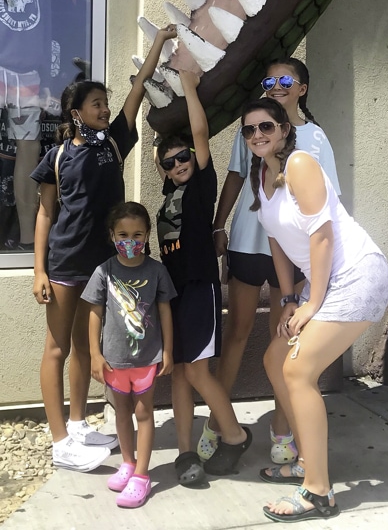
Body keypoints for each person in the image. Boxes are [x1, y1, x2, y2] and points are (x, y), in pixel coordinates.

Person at [30, 25, 177, 472]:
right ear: (76, 112)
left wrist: (158, 44)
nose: (106, 108)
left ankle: (78, 425)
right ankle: (60, 443)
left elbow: (137, 90)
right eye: (96, 103)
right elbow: (44, 215)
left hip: (105, 267)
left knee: (82, 346)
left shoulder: (114, 143)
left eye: (105, 103)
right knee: (57, 347)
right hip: (66, 263)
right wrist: (39, 271)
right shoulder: (57, 157)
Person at [241, 96, 388, 522]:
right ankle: (308, 462)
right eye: (249, 130)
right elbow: (276, 240)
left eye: (266, 127)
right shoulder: (261, 176)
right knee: (275, 357)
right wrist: (289, 299)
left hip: (356, 276)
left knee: (297, 369)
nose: (257, 136)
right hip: (321, 283)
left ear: (284, 129)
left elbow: (322, 236)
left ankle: (318, 493)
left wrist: (313, 304)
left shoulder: (301, 165)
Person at [198, 57, 341, 465]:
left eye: (285, 79)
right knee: (237, 332)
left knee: (285, 342)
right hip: (247, 241)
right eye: (269, 80)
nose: (276, 85)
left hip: (292, 253)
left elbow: (330, 201)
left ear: (303, 88)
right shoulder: (254, 127)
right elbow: (235, 177)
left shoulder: (315, 137)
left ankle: (282, 431)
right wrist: (218, 224)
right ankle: (218, 422)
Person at [155, 69, 252, 486]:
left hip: (198, 289)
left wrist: (190, 89)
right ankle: (185, 453)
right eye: (169, 162)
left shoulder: (200, 186)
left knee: (196, 371)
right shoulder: (167, 199)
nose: (179, 164)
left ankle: (235, 435)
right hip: (172, 295)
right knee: (179, 373)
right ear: (162, 170)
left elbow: (199, 132)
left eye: (184, 157)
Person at [81, 201, 175, 508]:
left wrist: (168, 351)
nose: (130, 241)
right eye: (123, 234)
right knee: (121, 412)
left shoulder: (157, 271)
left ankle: (142, 476)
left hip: (147, 360)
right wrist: (95, 354)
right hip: (114, 359)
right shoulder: (103, 272)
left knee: (144, 413)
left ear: (147, 235)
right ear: (111, 235)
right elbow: (94, 314)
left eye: (137, 234)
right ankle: (128, 463)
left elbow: (164, 312)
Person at [0, 0, 52, 250]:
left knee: (29, 153)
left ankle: (26, 237)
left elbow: (45, 32)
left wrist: (47, 78)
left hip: (27, 76)